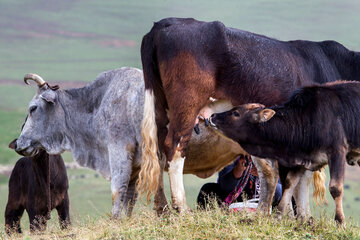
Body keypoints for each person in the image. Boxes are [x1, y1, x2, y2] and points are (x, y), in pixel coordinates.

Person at [197, 155, 283, 209]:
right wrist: (239, 169)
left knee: (287, 193)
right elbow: (225, 187)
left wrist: (264, 175)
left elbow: (279, 192)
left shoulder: (272, 157)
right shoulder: (232, 155)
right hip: (234, 201)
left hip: (264, 202)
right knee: (207, 189)